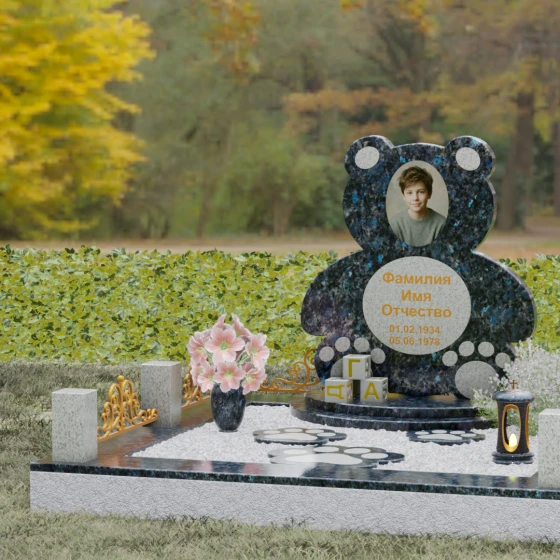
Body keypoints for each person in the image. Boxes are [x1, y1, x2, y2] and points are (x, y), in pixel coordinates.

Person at [389, 166, 447, 247]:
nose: (415, 198)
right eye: (409, 193)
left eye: (421, 192)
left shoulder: (441, 224)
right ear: (403, 196)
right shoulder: (395, 224)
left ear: (429, 194)